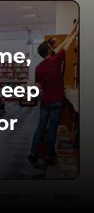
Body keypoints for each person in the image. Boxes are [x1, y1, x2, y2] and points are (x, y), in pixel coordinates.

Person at [28, 22, 78, 168]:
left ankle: (32, 153)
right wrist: (75, 32)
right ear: (49, 51)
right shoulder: (56, 60)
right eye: (51, 47)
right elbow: (68, 44)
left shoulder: (38, 68)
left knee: (40, 127)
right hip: (56, 101)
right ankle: (49, 155)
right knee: (52, 129)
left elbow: (38, 87)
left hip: (45, 102)